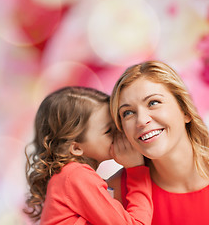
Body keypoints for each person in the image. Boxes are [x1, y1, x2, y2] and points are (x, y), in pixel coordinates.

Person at [108, 60, 209, 225]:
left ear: (185, 111)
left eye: (153, 103)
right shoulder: (116, 191)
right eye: (127, 113)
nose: (141, 120)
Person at [24, 86, 153, 225]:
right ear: (76, 147)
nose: (119, 133)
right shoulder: (76, 176)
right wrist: (137, 170)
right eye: (109, 130)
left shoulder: (66, 177)